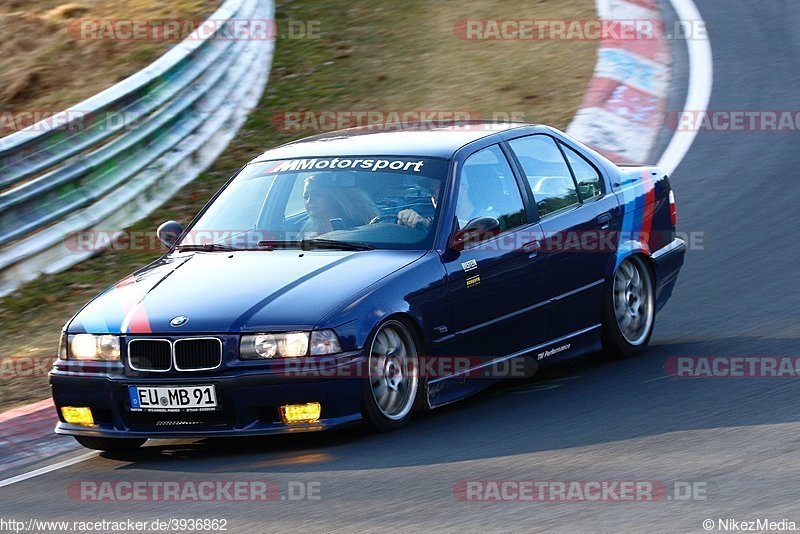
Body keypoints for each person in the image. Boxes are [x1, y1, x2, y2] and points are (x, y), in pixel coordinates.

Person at [302, 175, 378, 236]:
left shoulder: (359, 226)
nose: (309, 201)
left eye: (316, 195)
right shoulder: (301, 230)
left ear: (334, 198)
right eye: (306, 197)